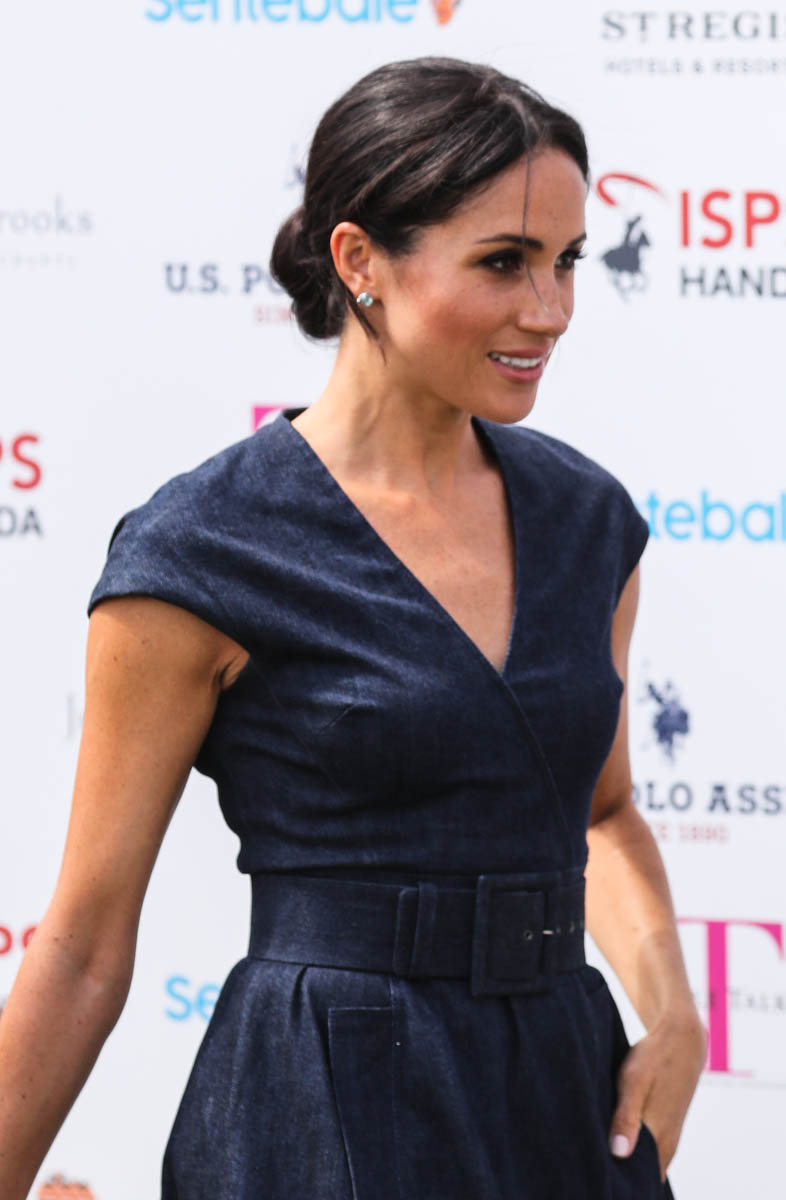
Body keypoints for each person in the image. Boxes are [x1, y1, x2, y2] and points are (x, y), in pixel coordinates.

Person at [0, 57, 705, 1199]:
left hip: (561, 1098)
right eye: (505, 261)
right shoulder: (205, 546)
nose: (551, 310)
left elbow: (604, 812)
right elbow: (82, 948)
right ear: (359, 259)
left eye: (568, 260)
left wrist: (675, 1013)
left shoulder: (590, 521)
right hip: (322, 1103)